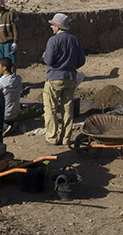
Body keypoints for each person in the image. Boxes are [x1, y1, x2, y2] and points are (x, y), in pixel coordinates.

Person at [41, 13, 85, 145]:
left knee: (51, 109)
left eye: (52, 25)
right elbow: (81, 60)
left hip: (54, 78)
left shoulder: (53, 40)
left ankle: (52, 137)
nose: (51, 27)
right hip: (70, 78)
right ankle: (66, 138)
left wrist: (44, 57)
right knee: (67, 109)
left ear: (57, 27)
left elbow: (49, 60)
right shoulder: (74, 39)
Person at [0, 57, 22, 136]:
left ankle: (5, 126)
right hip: (15, 111)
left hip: (4, 113)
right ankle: (11, 122)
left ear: (4, 68)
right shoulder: (18, 79)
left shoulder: (1, 82)